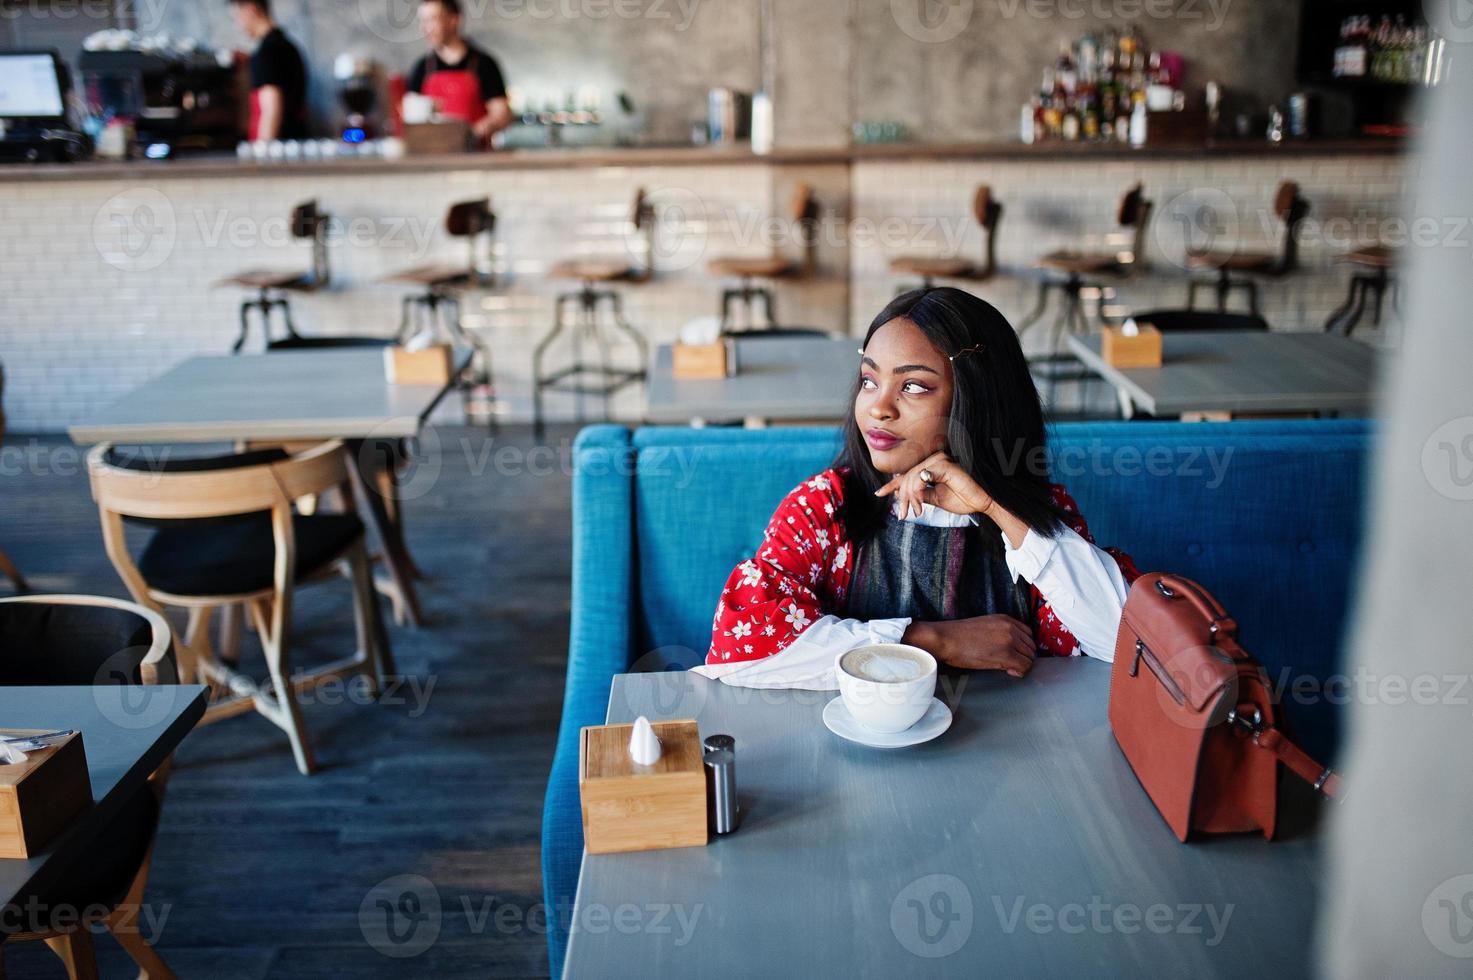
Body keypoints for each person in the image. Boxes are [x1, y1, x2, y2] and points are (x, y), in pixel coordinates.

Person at [699, 287, 1140, 689]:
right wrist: (932, 641)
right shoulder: (825, 508)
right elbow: (742, 652)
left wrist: (993, 505)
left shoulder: (1036, 520)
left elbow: (1128, 646)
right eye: (870, 380)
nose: (879, 407)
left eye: (913, 386)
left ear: (976, 399)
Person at [407, 0, 512, 146]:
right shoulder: (422, 67)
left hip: (476, 156)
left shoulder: (484, 63)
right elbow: (410, 114)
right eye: (423, 21)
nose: (424, 28)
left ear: (454, 20)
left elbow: (501, 114)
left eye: (432, 20)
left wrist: (473, 133)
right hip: (433, 155)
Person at [228, 0, 308, 142]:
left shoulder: (266, 53)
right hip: (294, 144)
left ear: (250, 9)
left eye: (236, 18)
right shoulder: (288, 46)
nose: (238, 26)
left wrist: (263, 155)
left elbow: (271, 112)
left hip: (274, 154)